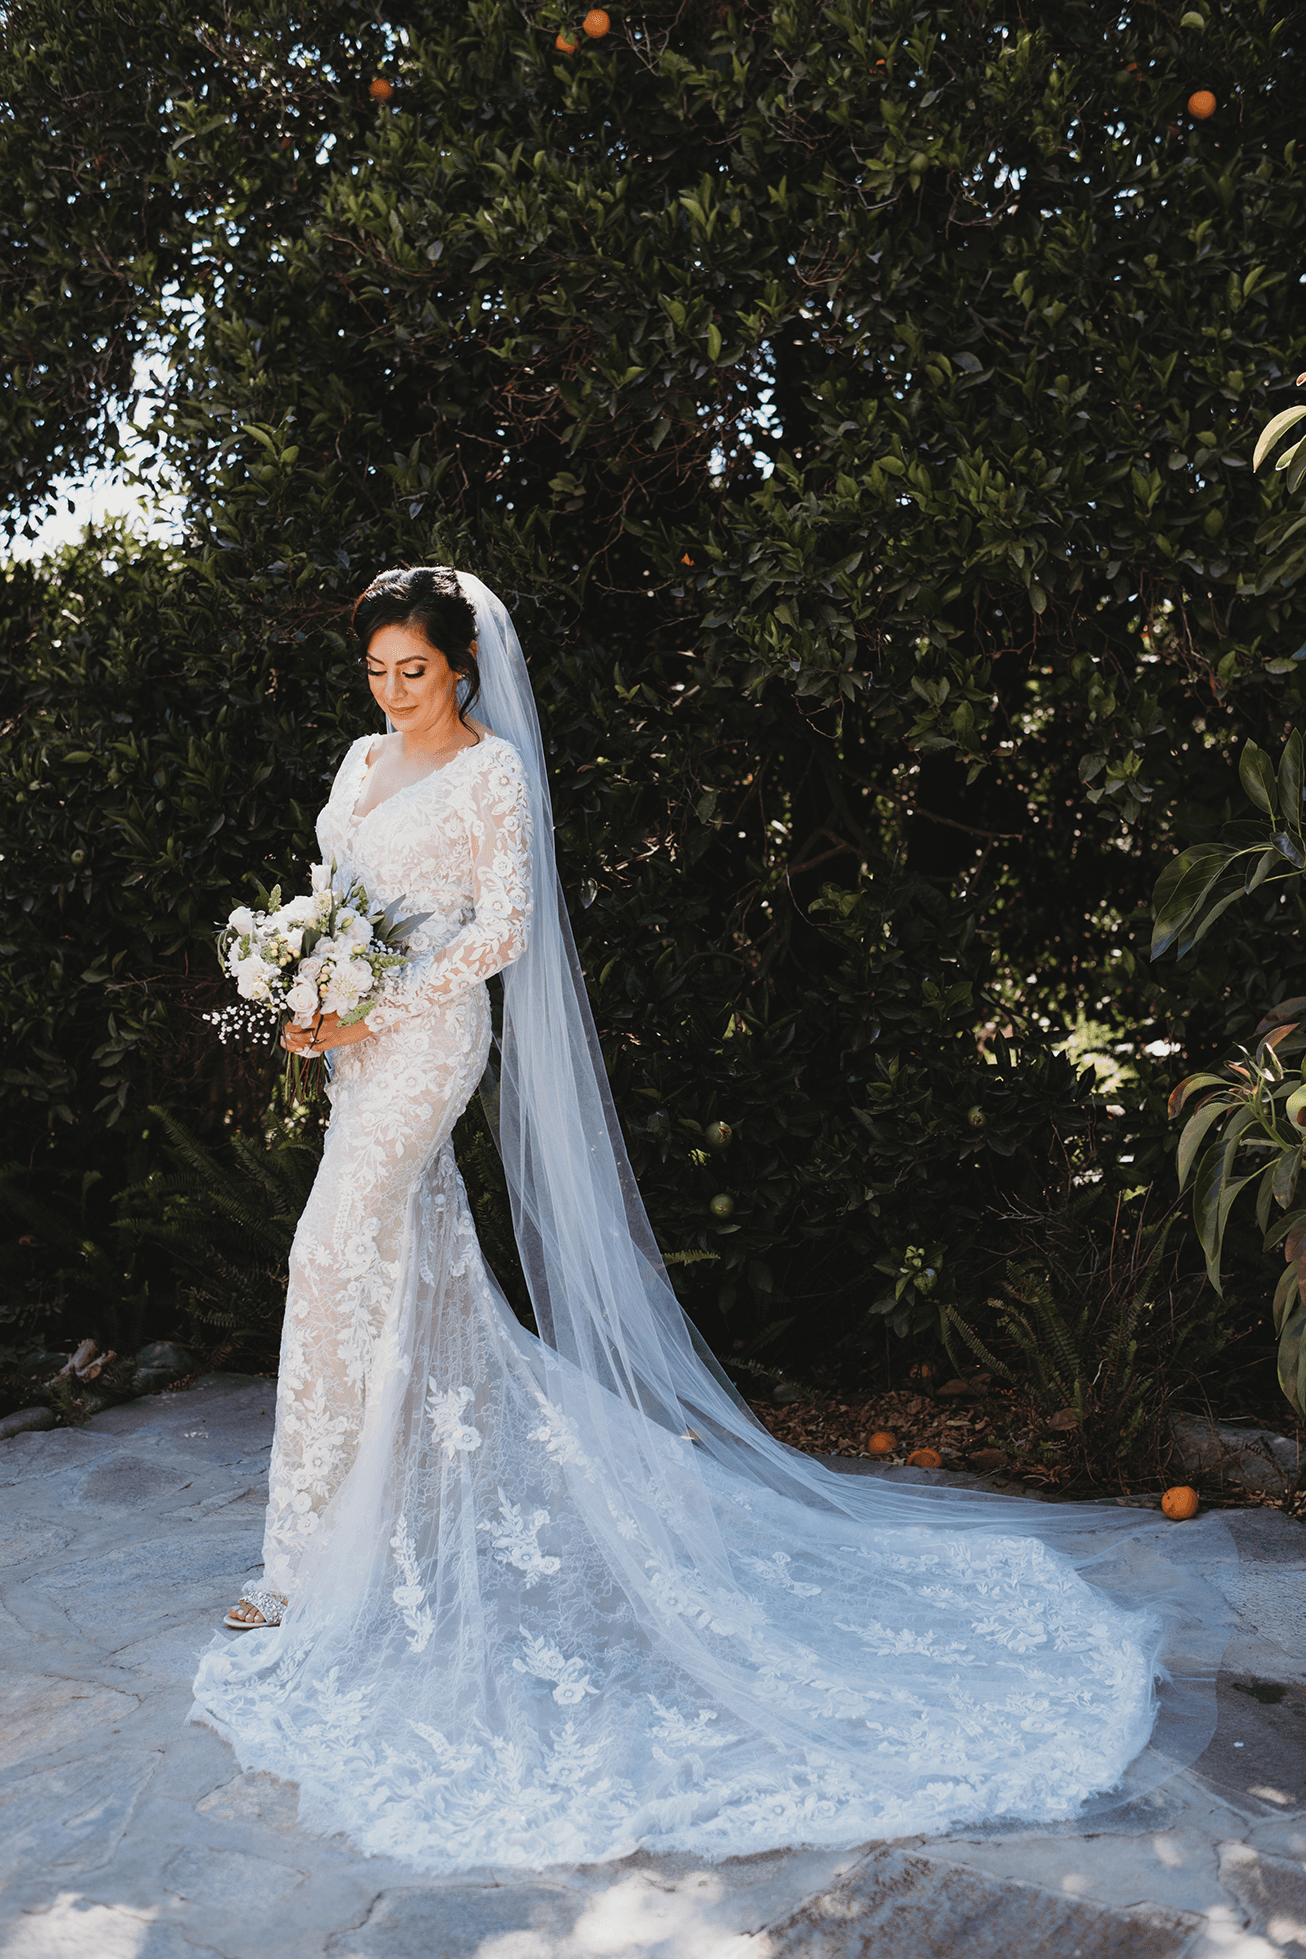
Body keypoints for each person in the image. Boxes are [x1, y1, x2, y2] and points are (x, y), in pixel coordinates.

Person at [192, 567, 1232, 1874]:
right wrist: (304, 987)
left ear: (461, 665)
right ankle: (374, 1522)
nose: (395, 694)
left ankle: (297, 1564)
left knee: (329, 1250)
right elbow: (331, 892)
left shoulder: (491, 773)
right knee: (409, 1268)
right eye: (378, 672)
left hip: (426, 1043)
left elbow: (502, 929)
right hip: (351, 1045)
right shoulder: (358, 761)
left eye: (415, 670)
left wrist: (370, 1005)